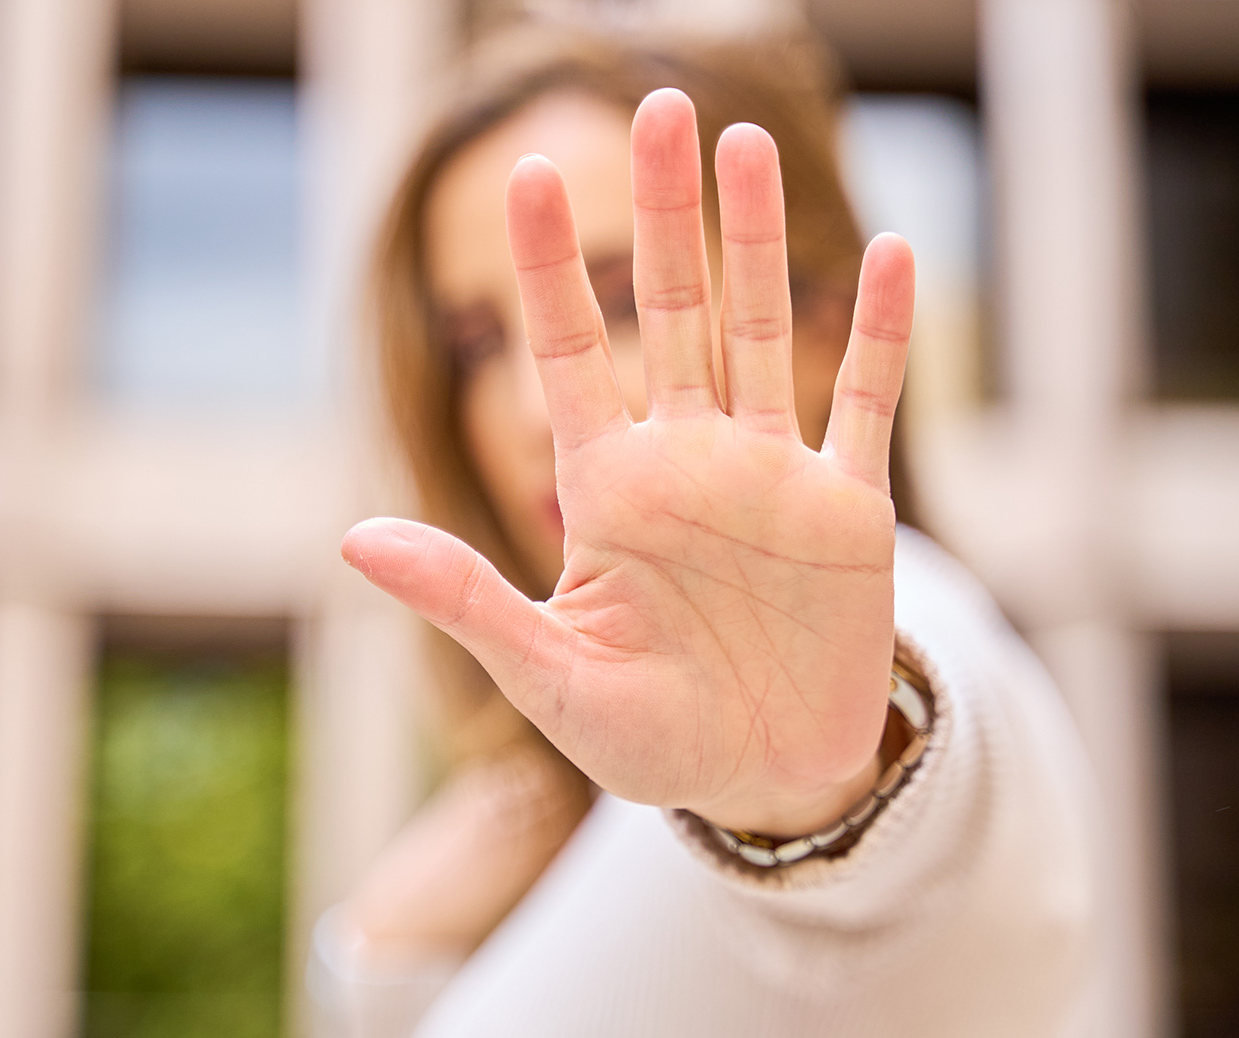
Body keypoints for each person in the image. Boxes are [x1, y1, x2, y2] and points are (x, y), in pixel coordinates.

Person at [310, 31, 1104, 1037]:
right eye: (474, 343)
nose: (521, 407)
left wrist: (823, 791)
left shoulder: (924, 647)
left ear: (822, 324)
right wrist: (390, 960)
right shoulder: (575, 803)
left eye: (617, 298)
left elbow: (917, 823)